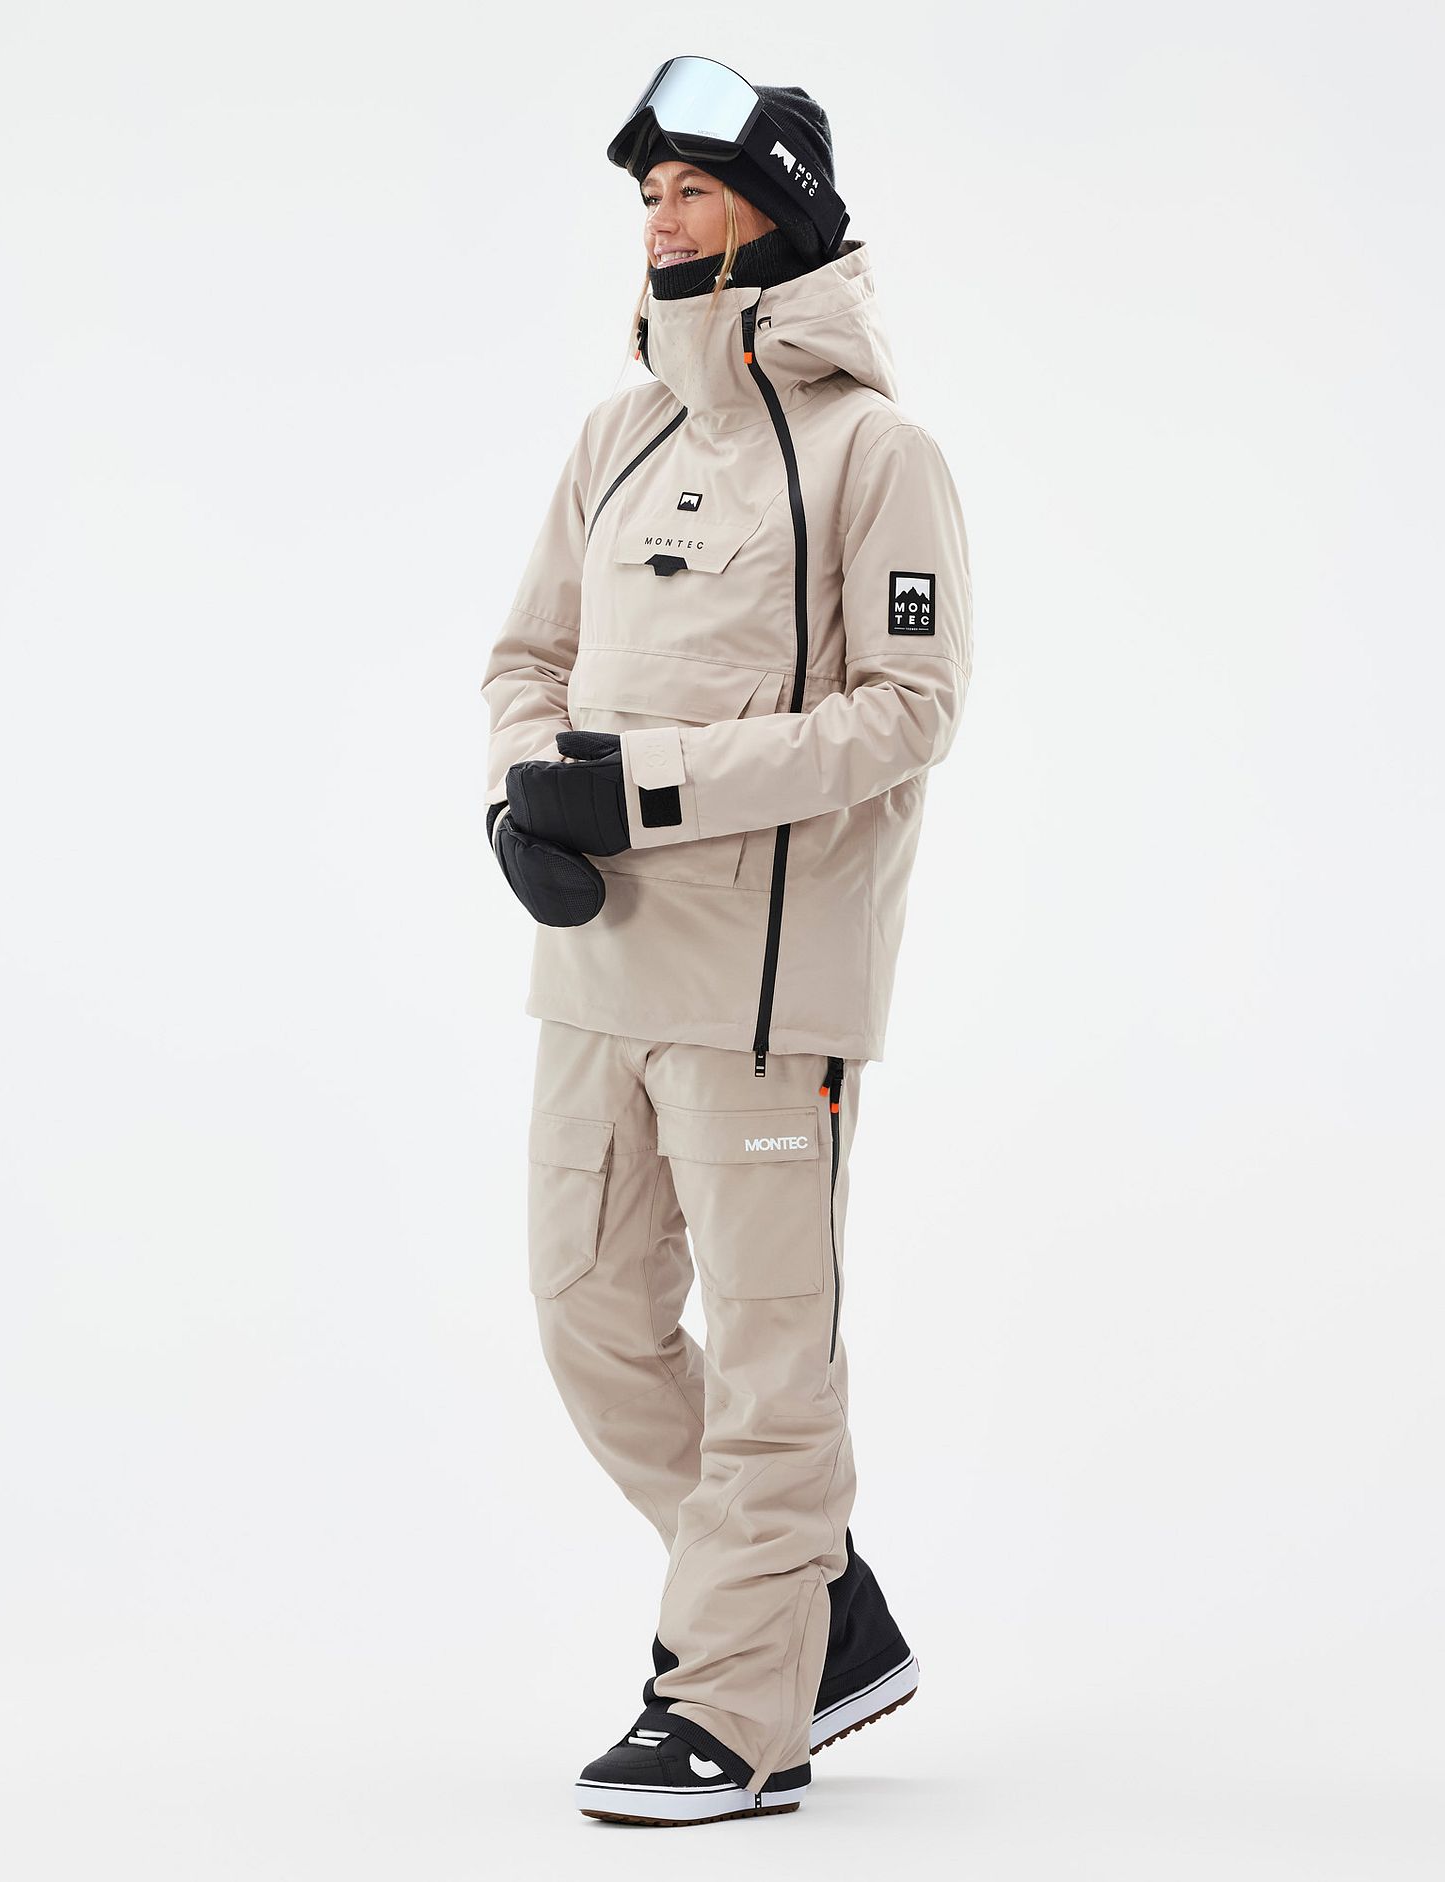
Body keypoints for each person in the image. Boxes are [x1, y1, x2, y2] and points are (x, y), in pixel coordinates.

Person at [480, 57, 974, 1826]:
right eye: (647, 195)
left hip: (770, 988)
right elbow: (526, 660)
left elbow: (908, 712)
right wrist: (522, 795)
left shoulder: (877, 455)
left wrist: (647, 788)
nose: (659, 220)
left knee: (772, 1350)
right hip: (597, 966)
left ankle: (736, 1703)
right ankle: (814, 1611)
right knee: (587, 1315)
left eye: (691, 187)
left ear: (783, 207)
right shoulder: (613, 439)